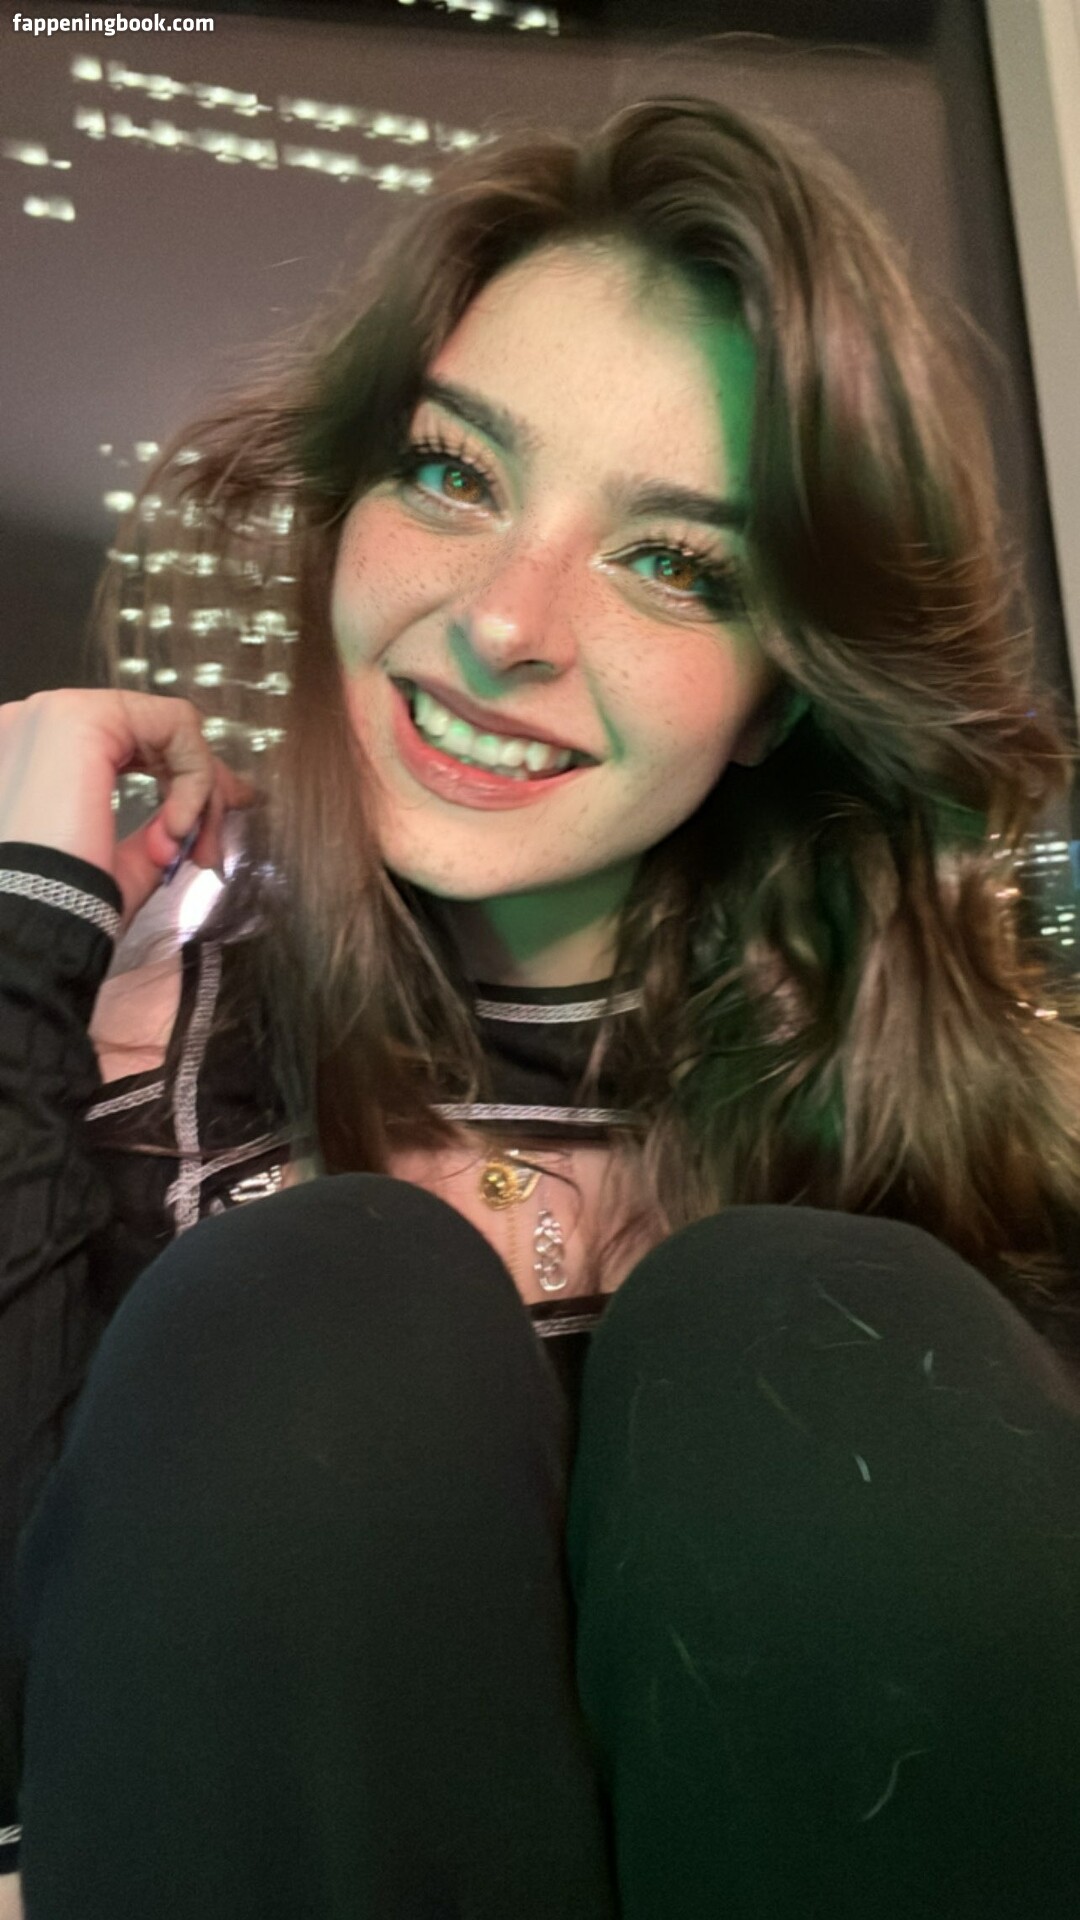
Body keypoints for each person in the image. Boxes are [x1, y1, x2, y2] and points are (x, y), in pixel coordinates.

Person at [2, 94, 1080, 1918]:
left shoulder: (968, 1130)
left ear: (782, 688)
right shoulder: (105, 1061)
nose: (508, 621)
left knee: (821, 1320)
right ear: (348, 510)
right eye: (455, 471)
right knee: (309, 1308)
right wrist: (21, 936)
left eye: (676, 561)